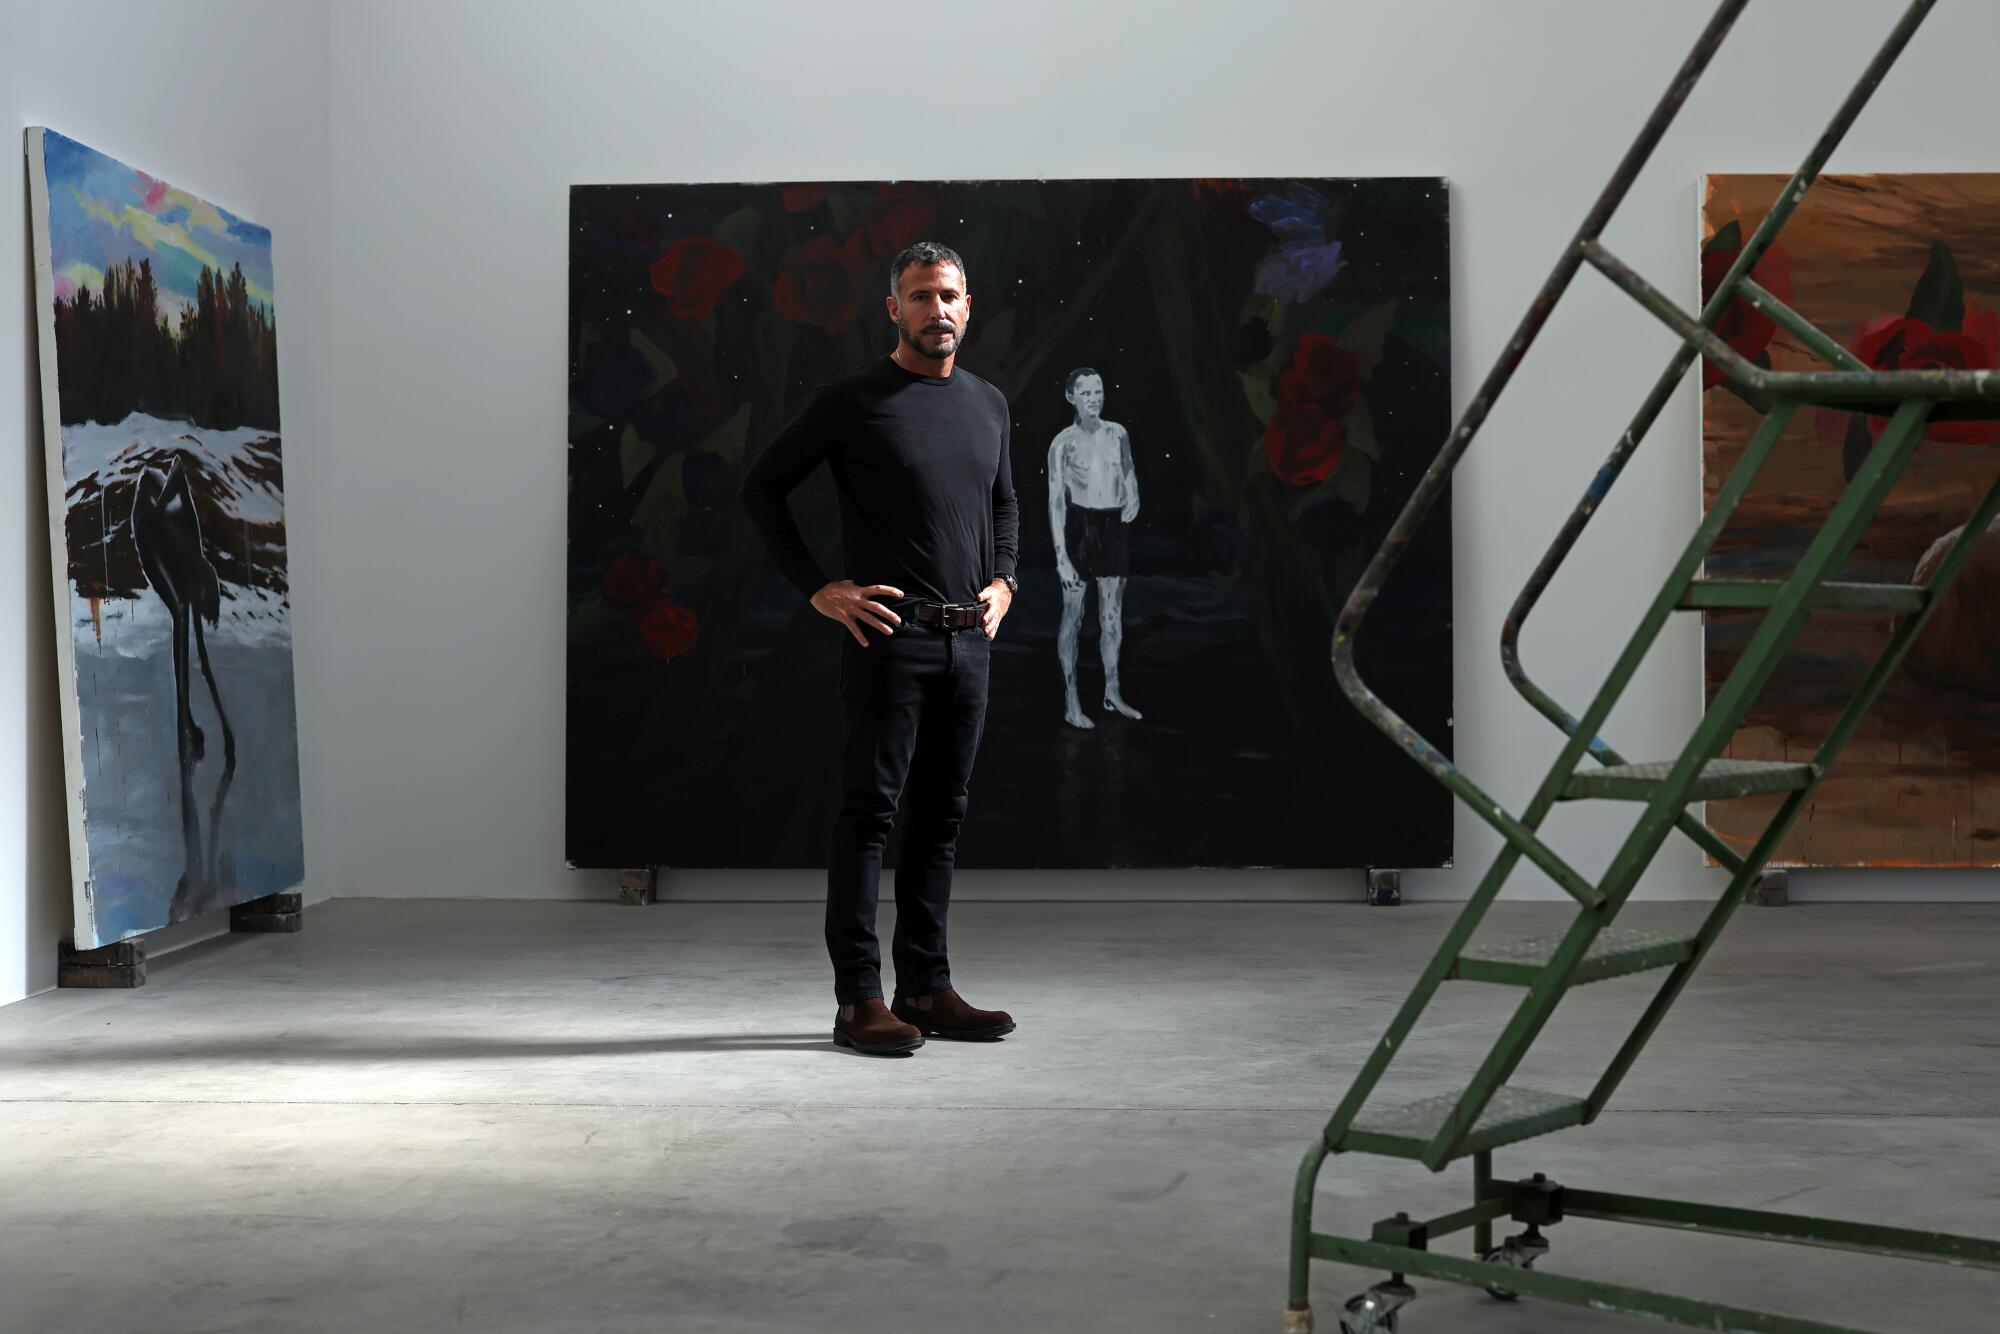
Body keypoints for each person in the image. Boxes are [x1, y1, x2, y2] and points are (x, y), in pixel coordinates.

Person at [738, 240, 1021, 1057]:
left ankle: (926, 988)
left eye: (951, 296)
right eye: (922, 296)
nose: (939, 310)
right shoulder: (853, 399)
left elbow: (1005, 503)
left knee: (941, 820)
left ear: (969, 307)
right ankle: (859, 1001)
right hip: (889, 642)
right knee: (871, 816)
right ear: (893, 308)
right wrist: (820, 589)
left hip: (970, 645)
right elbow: (763, 487)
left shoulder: (989, 404)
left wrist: (1004, 581)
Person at [1047, 368, 1142, 729]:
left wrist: (1133, 495)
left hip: (1113, 526)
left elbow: (1129, 472)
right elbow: (1055, 503)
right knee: (1074, 615)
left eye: (1098, 391)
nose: (1094, 399)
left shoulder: (1118, 433)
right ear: (1071, 397)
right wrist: (1062, 559)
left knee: (1112, 617)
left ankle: (1112, 691)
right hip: (1080, 527)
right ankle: (1071, 699)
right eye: (1086, 393)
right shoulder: (1062, 443)